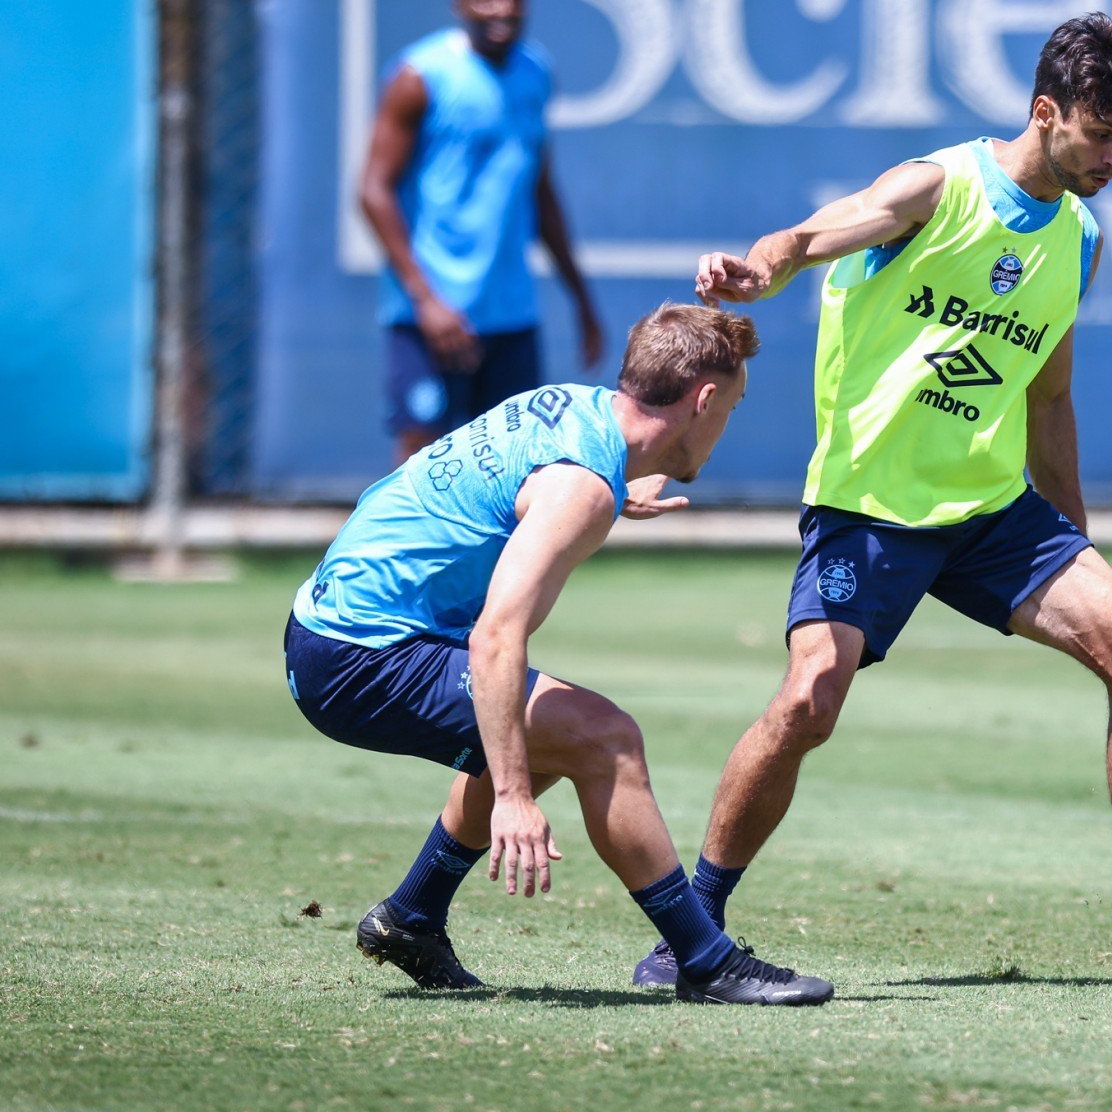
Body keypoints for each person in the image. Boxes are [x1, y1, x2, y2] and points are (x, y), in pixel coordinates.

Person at [633, 13, 1112, 986]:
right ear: (1044, 111)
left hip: (989, 511)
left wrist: (1073, 540)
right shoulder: (936, 187)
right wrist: (759, 268)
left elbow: (1051, 392)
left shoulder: (1081, 238)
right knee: (811, 701)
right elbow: (813, 234)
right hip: (869, 502)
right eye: (1099, 133)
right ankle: (692, 932)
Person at [285, 303, 833, 1005]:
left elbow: (527, 485)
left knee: (541, 728)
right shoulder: (582, 489)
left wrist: (609, 490)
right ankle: (705, 960)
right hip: (357, 656)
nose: (728, 424)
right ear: (702, 401)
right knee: (604, 738)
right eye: (732, 405)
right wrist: (511, 795)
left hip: (328, 630)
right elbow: (496, 637)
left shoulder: (577, 409)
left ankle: (411, 917)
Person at [359, 0, 605, 463]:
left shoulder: (536, 73)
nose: (505, 9)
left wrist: (580, 298)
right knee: (420, 461)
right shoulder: (420, 77)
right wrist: (426, 300)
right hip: (432, 313)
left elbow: (540, 189)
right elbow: (373, 190)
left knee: (515, 463)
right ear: (460, 4)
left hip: (509, 312)